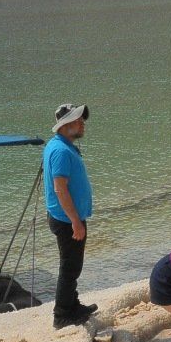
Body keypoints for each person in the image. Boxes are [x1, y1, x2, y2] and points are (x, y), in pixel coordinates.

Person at [44, 102, 99, 328]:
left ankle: (72, 304)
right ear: (65, 125)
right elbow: (60, 188)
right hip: (67, 219)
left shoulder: (61, 145)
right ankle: (62, 315)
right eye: (77, 120)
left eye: (81, 119)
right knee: (70, 267)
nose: (82, 123)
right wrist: (75, 221)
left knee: (73, 264)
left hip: (68, 217)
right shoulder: (59, 150)